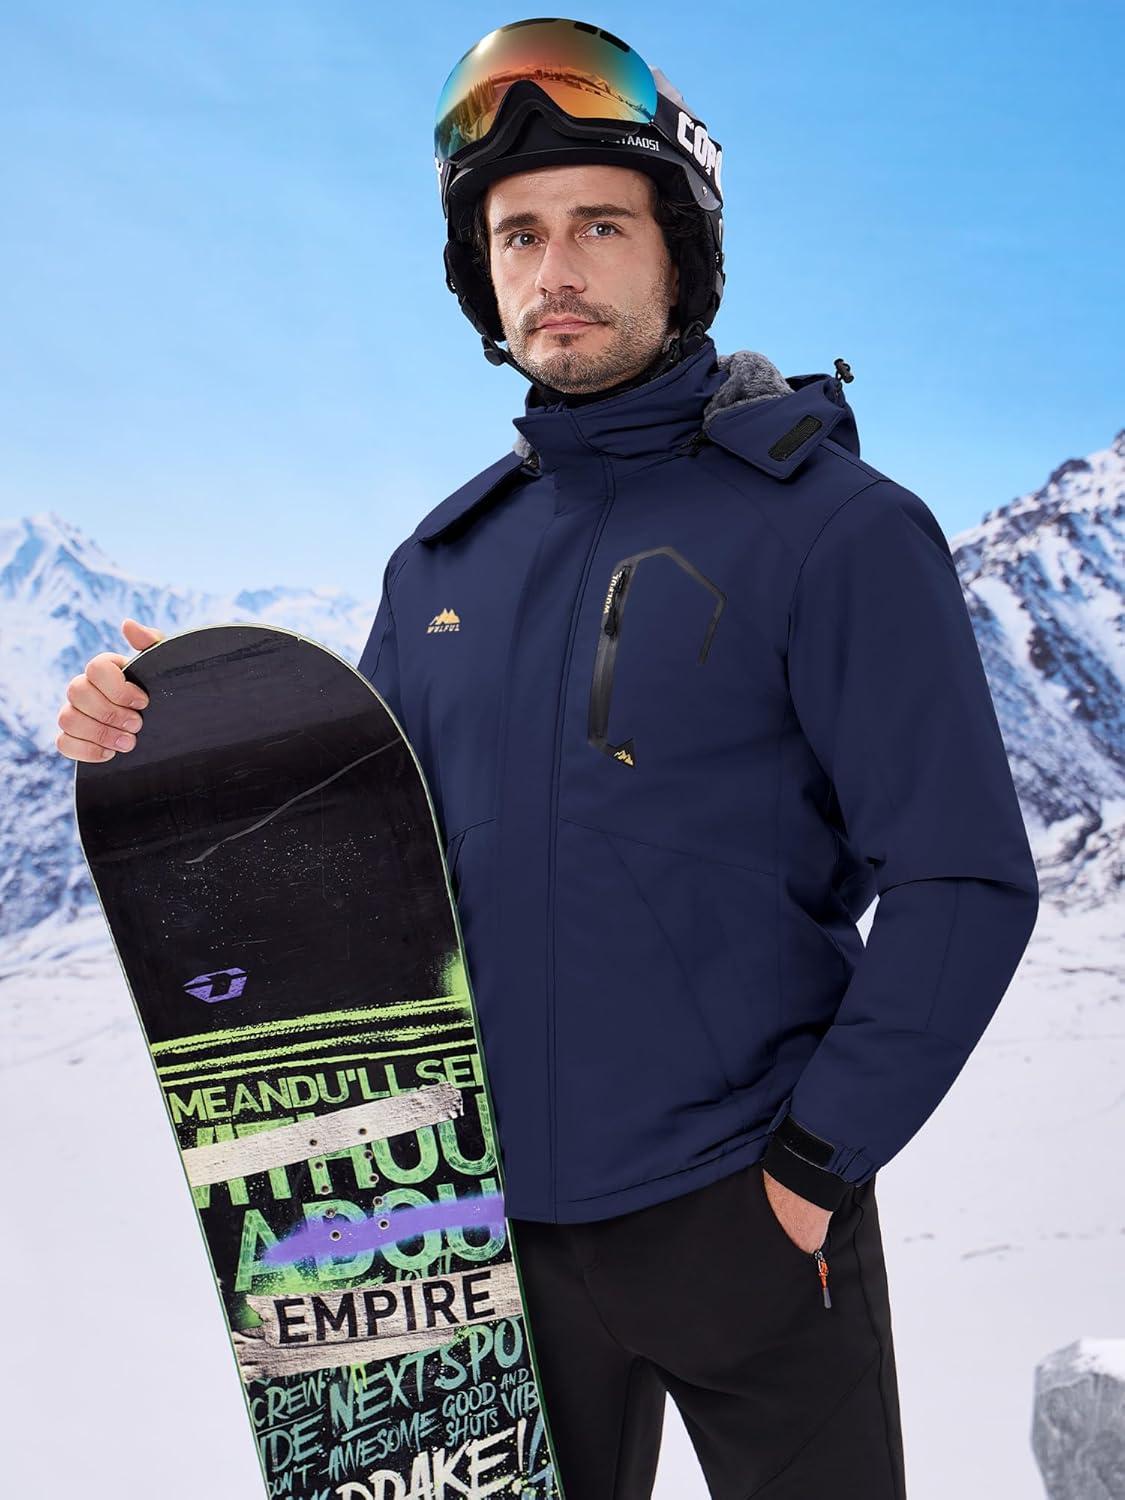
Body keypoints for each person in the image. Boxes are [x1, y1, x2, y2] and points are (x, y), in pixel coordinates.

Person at [55, 18, 1040, 1499]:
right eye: (518, 236)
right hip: (481, 1256)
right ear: (482, 273)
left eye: (598, 225)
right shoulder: (439, 566)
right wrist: (161, 738)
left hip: (747, 1221)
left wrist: (809, 1174)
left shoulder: (834, 529)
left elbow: (963, 879)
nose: (554, 268)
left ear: (679, 254)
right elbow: (354, 867)